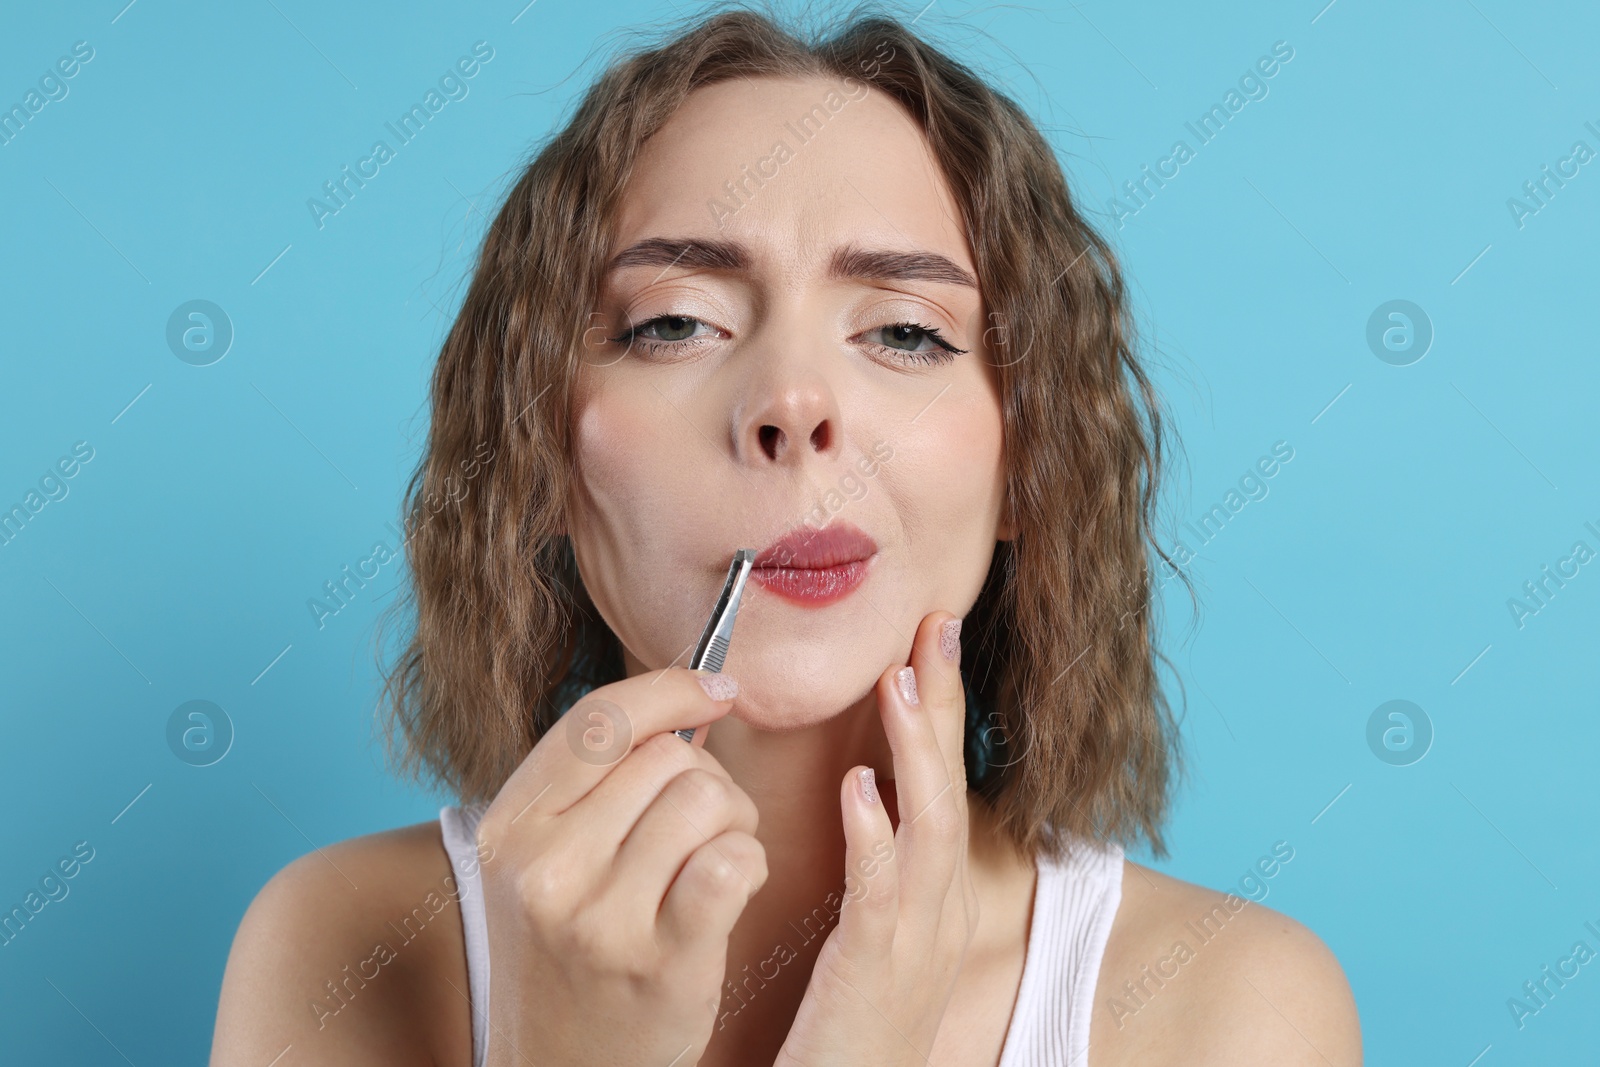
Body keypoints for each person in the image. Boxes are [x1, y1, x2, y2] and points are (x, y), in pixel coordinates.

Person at [210, 5, 1361, 1064]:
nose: (793, 403)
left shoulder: (1227, 1009)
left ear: (1027, 460)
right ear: (541, 451)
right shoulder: (344, 951)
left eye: (906, 333)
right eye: (674, 322)